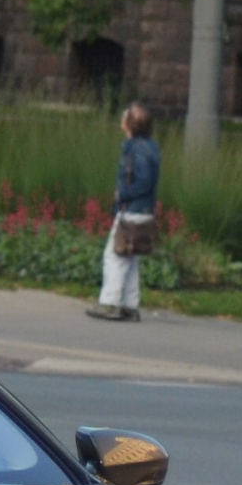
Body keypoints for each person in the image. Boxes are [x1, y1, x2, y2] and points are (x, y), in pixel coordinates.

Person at [88, 104, 161, 322]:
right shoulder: (149, 147)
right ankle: (130, 305)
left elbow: (143, 181)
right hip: (143, 210)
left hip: (132, 210)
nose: (122, 118)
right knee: (130, 258)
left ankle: (110, 303)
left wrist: (122, 194)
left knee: (115, 256)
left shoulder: (137, 149)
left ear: (131, 124)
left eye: (125, 115)